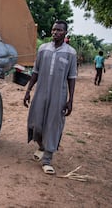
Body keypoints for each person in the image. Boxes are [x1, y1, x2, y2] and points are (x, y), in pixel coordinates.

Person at [23, 20, 77, 175]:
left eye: (59, 30)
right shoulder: (43, 49)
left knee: (53, 126)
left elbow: (72, 77)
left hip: (58, 95)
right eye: (53, 30)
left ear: (65, 33)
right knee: (36, 124)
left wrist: (70, 100)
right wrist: (28, 90)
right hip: (41, 92)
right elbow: (35, 72)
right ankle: (41, 145)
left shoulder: (70, 53)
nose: (55, 32)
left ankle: (47, 159)